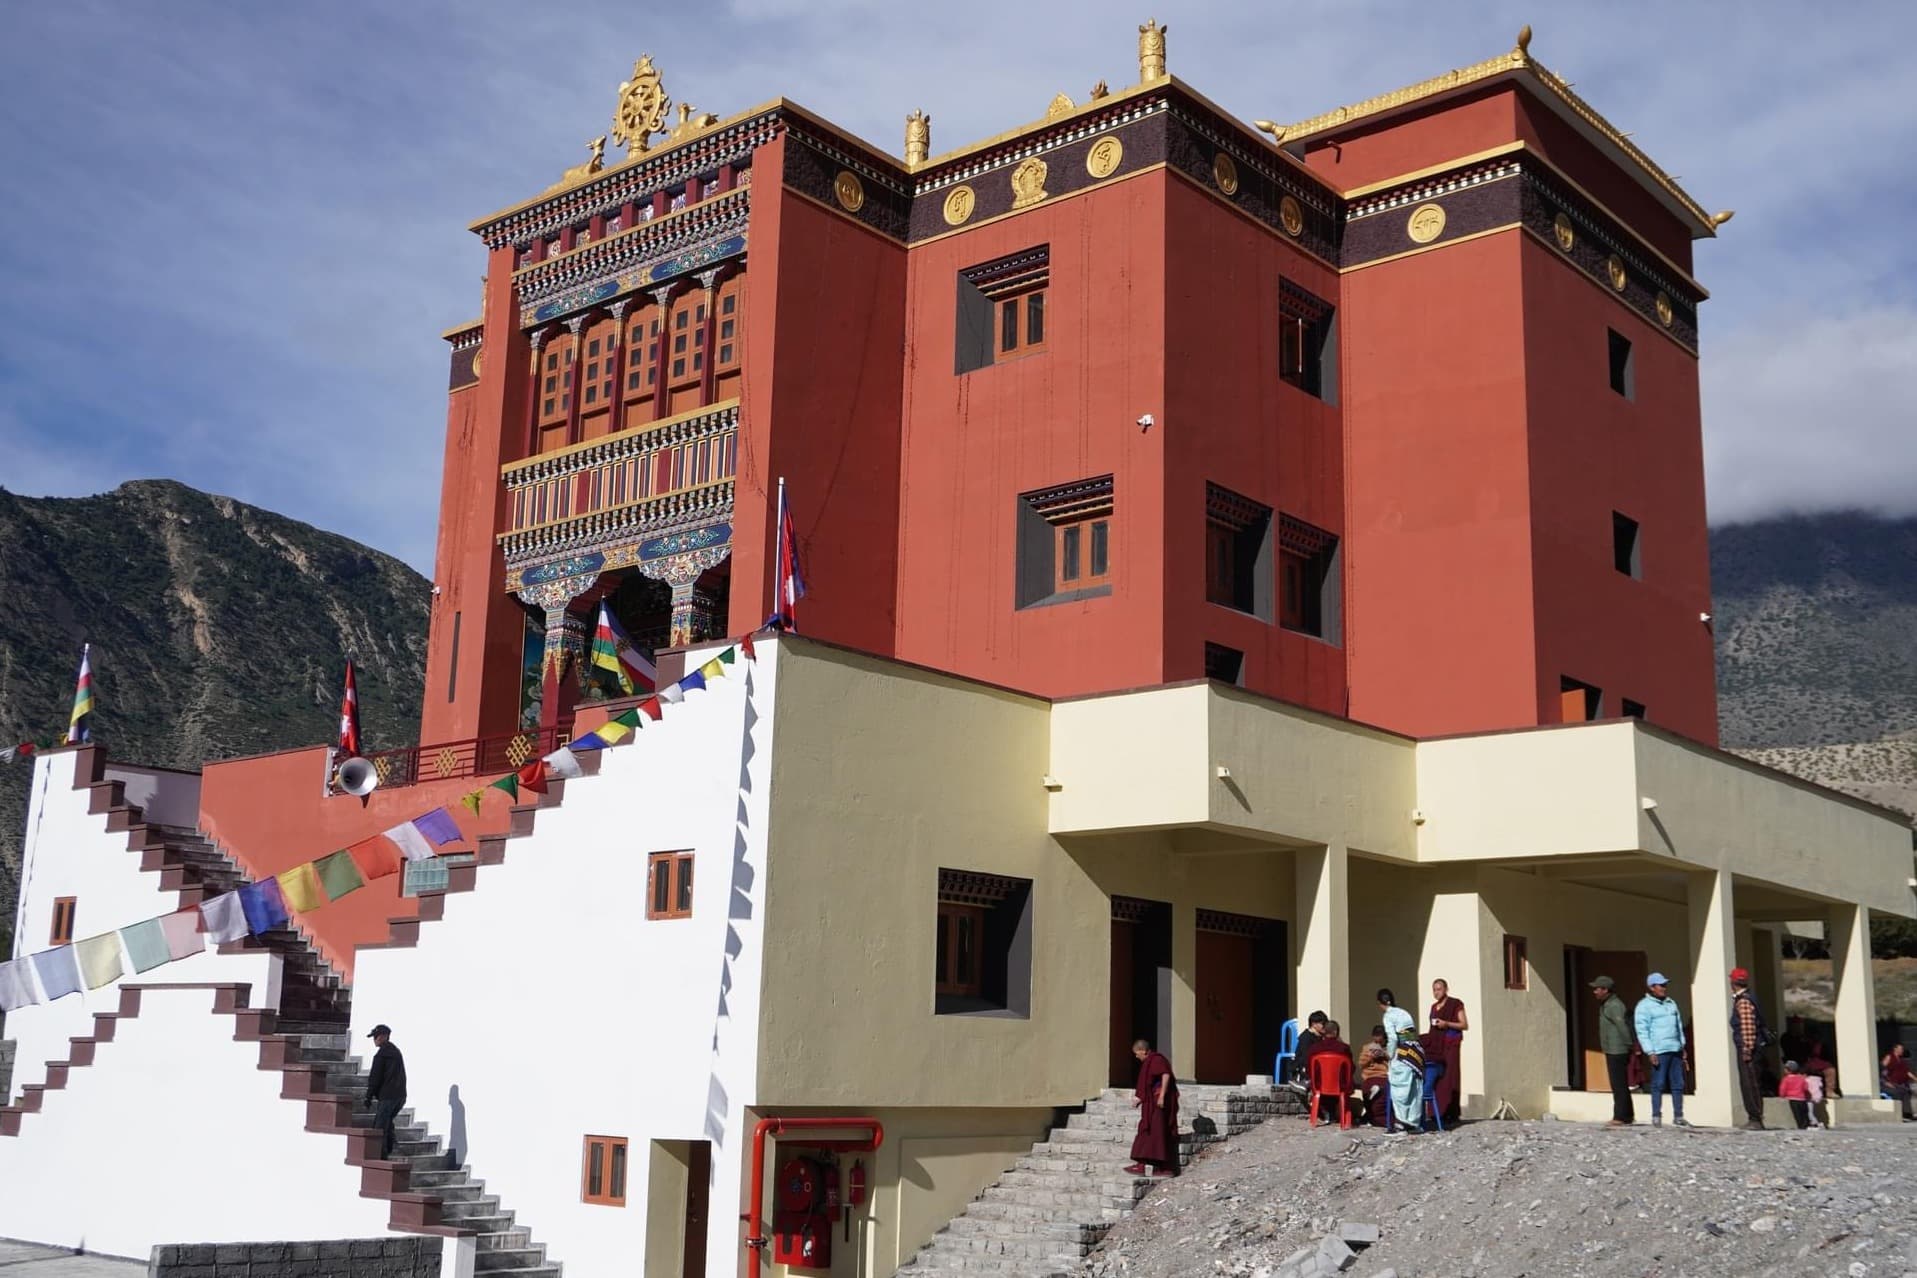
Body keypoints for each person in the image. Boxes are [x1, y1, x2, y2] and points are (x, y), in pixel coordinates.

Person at [1633, 974, 1691, 1128]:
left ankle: (1678, 1115)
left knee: (1678, 1083)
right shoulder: (1644, 1006)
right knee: (1658, 1083)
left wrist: (1682, 1045)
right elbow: (1642, 1030)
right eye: (1661, 985)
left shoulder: (1671, 1004)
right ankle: (1656, 1115)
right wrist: (1650, 1051)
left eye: (1665, 985)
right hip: (1659, 1050)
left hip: (1675, 1049)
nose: (1664, 988)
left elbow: (1678, 1026)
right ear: (1652, 987)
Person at [1124, 1038, 1181, 1176]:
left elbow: (1165, 1074)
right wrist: (1140, 1099)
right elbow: (1147, 1084)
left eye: (1137, 1053)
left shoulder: (1156, 1059)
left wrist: (1161, 1096)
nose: (1137, 1057)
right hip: (1151, 1103)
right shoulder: (1148, 1062)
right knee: (1146, 1131)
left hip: (1158, 1103)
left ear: (1143, 1051)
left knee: (1159, 1133)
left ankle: (1164, 1168)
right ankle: (1142, 1165)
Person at [1590, 976, 1635, 1126]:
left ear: (1606, 990)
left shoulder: (1614, 1006)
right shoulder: (1606, 1004)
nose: (1595, 991)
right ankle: (1627, 1115)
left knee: (1618, 1084)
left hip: (1617, 1049)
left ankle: (1620, 1116)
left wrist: (1629, 1044)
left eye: (1597, 989)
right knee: (1619, 1083)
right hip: (1612, 1048)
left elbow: (1622, 1026)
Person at [1378, 989, 1424, 1132]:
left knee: (1400, 1089)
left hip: (1402, 1053)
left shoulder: (1388, 1016)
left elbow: (1392, 1038)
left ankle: (1402, 1122)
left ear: (1380, 1003)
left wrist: (1389, 1054)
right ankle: (1413, 1122)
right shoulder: (1404, 1013)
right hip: (1415, 1053)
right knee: (1414, 1089)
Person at [1728, 967, 1768, 1130]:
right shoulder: (1748, 998)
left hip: (1748, 1048)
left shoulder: (1743, 1001)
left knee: (1749, 1083)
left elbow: (1747, 1027)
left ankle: (1755, 1118)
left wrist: (1746, 1049)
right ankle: (1755, 1117)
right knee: (1751, 1082)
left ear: (1733, 982)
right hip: (1753, 1047)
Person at [364, 1023, 408, 1160]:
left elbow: (375, 1078)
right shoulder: (396, 1052)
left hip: (388, 1096)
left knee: (379, 1127)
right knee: (387, 1121)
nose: (375, 1040)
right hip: (400, 1096)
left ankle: (380, 1157)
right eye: (374, 1037)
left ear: (384, 1037)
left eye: (376, 1036)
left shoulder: (381, 1055)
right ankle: (390, 1146)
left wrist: (368, 1096)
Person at [1427, 978, 1468, 1123]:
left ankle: (1451, 1112)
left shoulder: (1455, 1004)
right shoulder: (1433, 1007)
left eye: (1439, 989)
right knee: (1436, 1077)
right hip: (1437, 1046)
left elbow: (1464, 1025)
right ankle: (1435, 1112)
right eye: (1434, 989)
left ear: (1446, 989)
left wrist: (1447, 1024)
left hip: (1450, 1044)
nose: (1436, 992)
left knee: (1450, 1076)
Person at [1305, 1020, 1354, 1123]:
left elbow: (1309, 1069)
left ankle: (1323, 1113)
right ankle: (1341, 1115)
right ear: (1336, 1032)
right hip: (1340, 1086)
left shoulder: (1314, 1048)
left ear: (1323, 1031)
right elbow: (1351, 1069)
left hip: (1319, 1086)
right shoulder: (1344, 1048)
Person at [1358, 1027, 1391, 1127]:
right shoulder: (1367, 1047)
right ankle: (1370, 1116)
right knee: (1367, 1091)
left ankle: (1374, 1118)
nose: (1378, 1042)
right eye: (1375, 1038)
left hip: (1384, 1075)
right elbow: (1361, 1063)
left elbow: (1394, 1059)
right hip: (1370, 1076)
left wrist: (1384, 1055)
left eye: (1380, 1039)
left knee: (1381, 1094)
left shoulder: (1390, 1047)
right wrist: (1370, 1057)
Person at [1287, 1010, 1328, 1087]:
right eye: (1323, 1024)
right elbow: (1305, 1058)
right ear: (1314, 1024)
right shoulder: (1306, 1038)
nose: (1325, 1026)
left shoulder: (1320, 1037)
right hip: (1305, 1069)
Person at [1882, 1043, 1915, 1122]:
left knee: (1907, 1091)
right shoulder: (1889, 1057)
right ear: (1895, 1049)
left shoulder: (1901, 1060)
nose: (1902, 1051)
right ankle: (1902, 1114)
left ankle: (1907, 1114)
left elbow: (1907, 1072)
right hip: (1891, 1082)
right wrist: (1885, 1082)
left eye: (1902, 1049)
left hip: (1901, 1083)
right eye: (1900, 1049)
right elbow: (1882, 1069)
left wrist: (1915, 1078)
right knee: (1900, 1092)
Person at [1778, 1060, 1814, 1129]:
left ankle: (1801, 1126)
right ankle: (1806, 1125)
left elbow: (1782, 1089)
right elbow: (1805, 1088)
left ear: (1788, 1070)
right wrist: (1808, 1096)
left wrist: (1782, 1095)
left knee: (1797, 1114)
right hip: (1802, 1099)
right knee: (1804, 1113)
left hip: (1793, 1099)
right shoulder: (1801, 1078)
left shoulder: (1786, 1079)